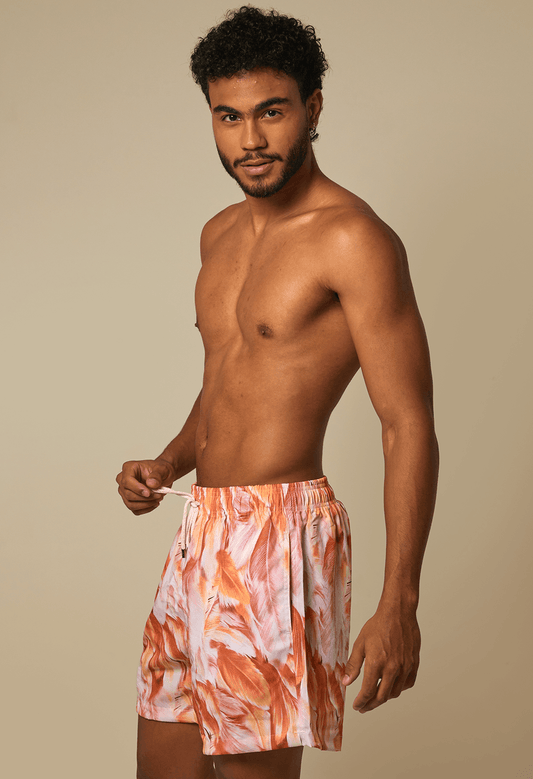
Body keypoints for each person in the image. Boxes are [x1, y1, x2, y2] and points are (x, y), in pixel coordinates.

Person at [116, 6, 439, 779]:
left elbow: (406, 423)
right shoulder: (218, 233)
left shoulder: (352, 239)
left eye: (271, 111)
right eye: (228, 116)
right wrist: (167, 461)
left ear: (312, 108)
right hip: (200, 529)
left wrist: (399, 601)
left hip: (277, 534)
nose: (250, 139)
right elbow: (228, 380)